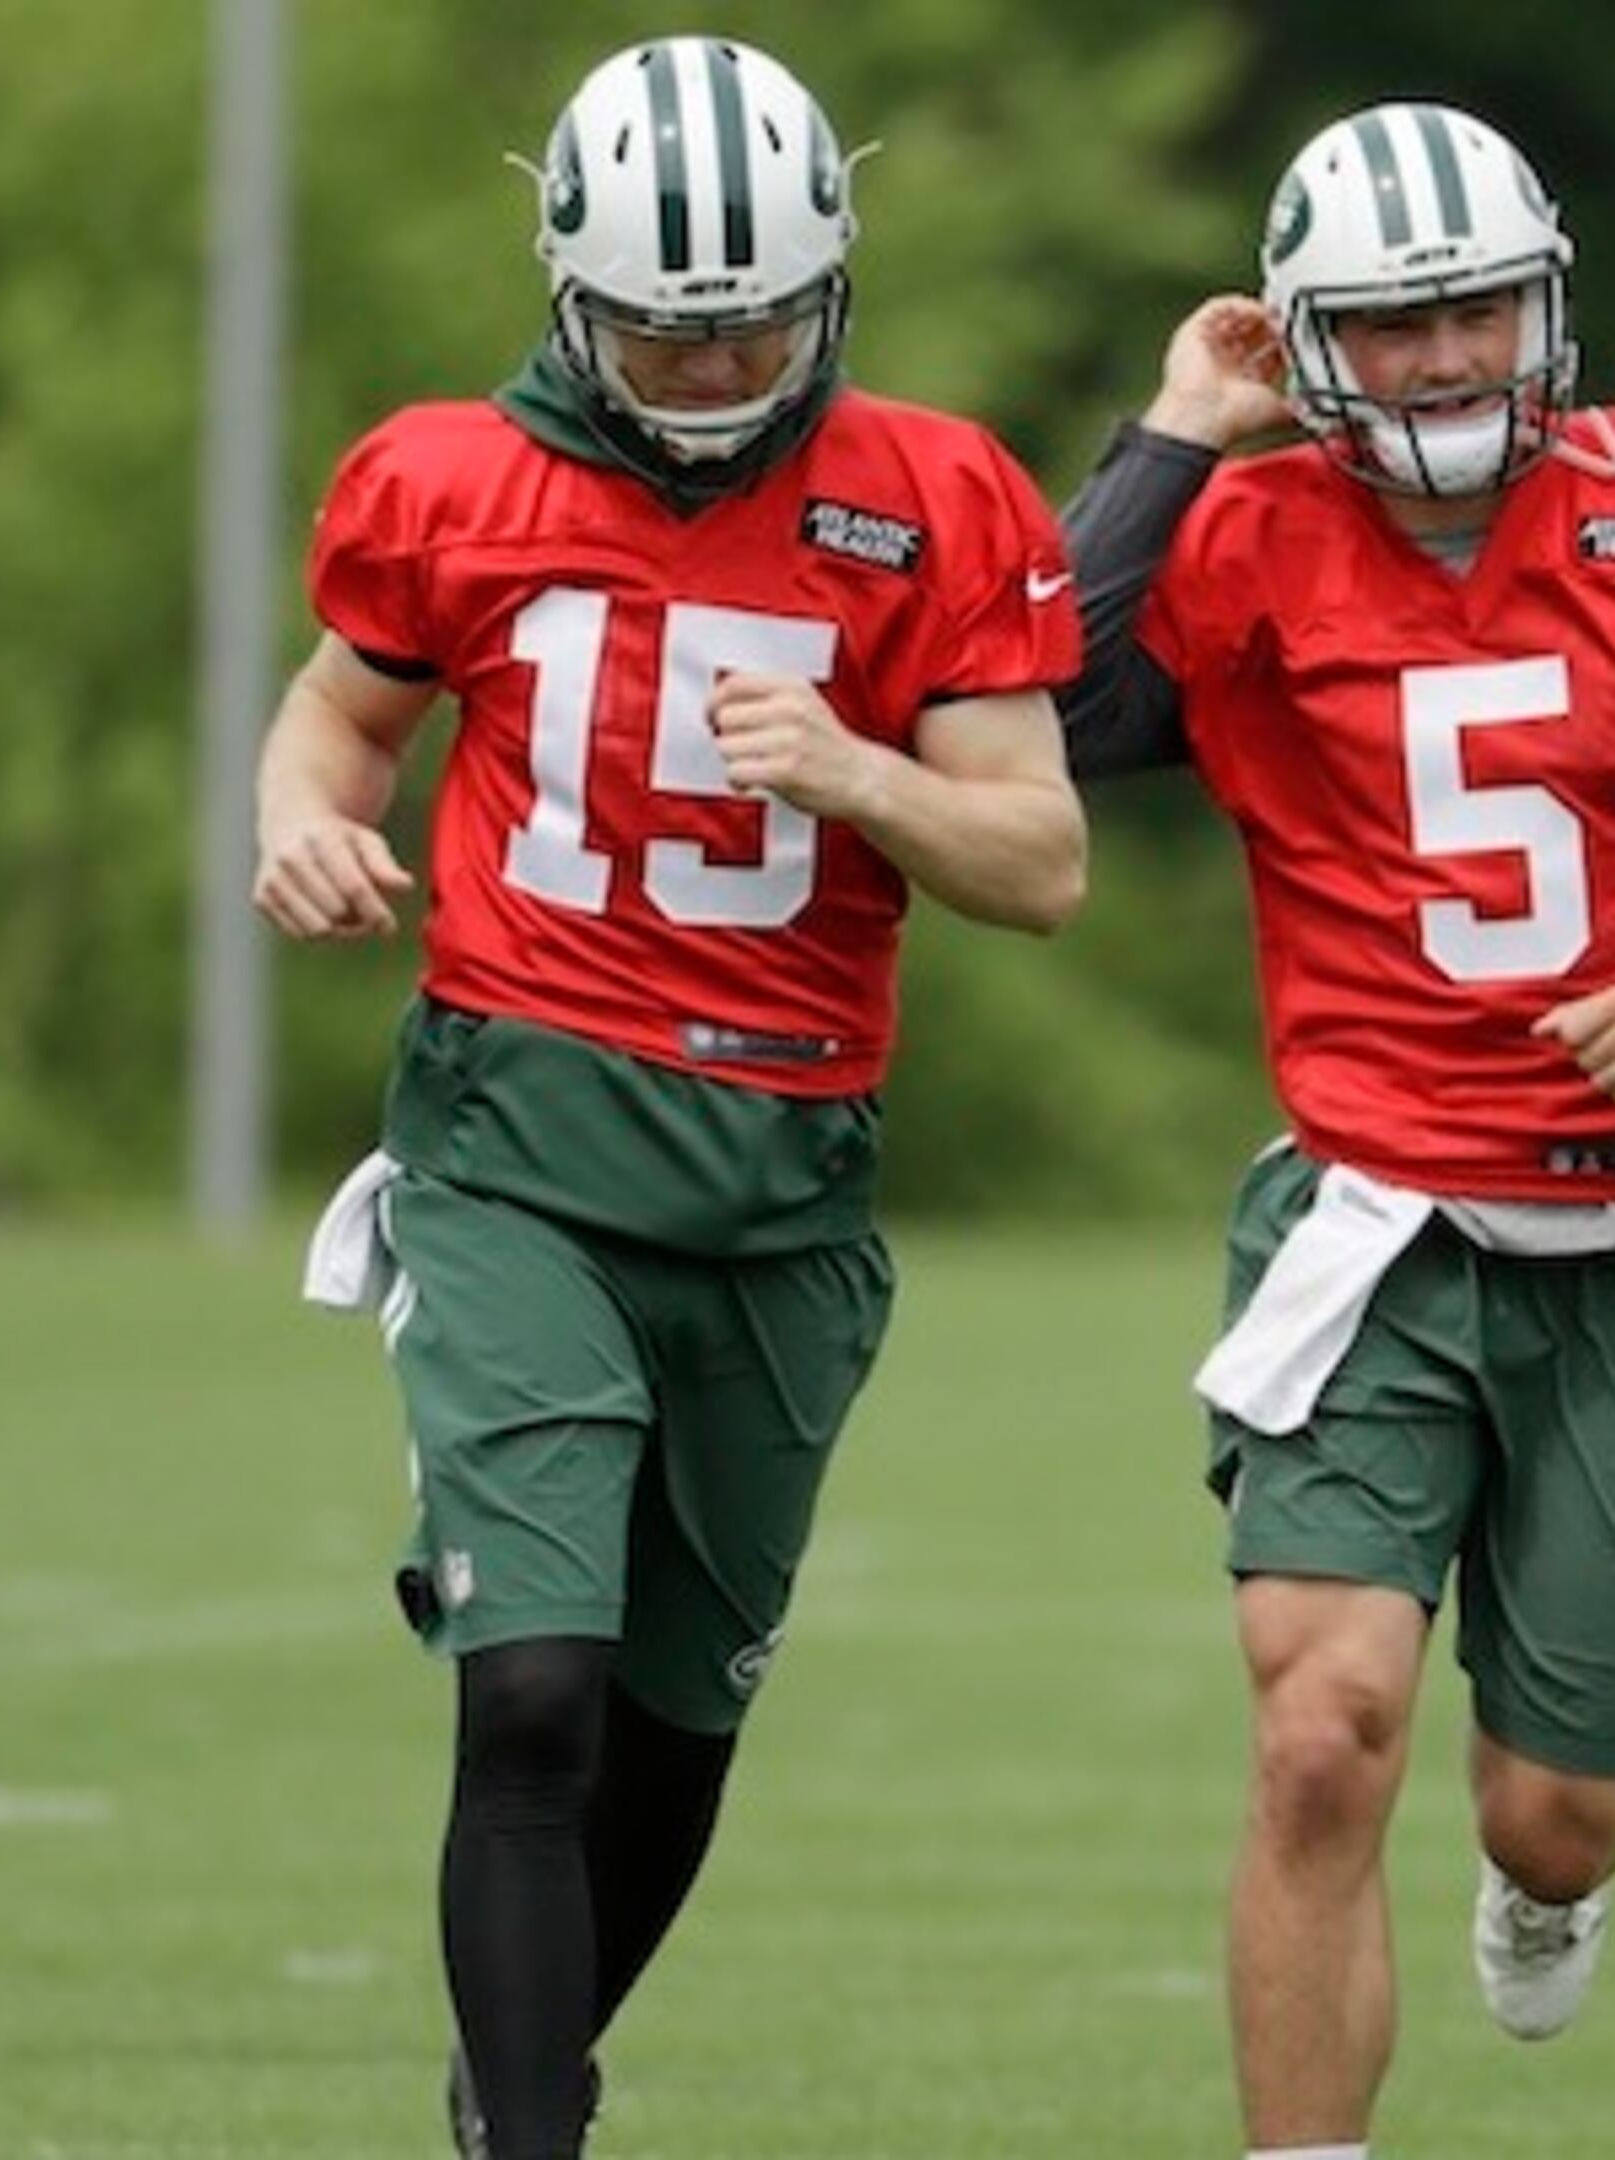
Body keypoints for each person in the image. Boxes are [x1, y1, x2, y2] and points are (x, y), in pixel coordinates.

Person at [1053, 100, 1615, 2160]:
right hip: (1369, 1215)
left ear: (1547, 300)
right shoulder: (1244, 527)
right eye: (1392, 326)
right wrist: (1174, 435)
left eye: (1477, 308)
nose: (1450, 356)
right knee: (1319, 1736)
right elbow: (1036, 706)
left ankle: (1550, 1877)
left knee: (1557, 1809)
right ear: (1302, 345)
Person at [250, 36, 1086, 2160]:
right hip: (514, 1144)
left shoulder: (935, 495)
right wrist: (300, 823)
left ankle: (514, 2071)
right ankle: (533, 2137)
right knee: (529, 1686)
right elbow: (337, 722)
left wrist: (859, 769)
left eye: (750, 332)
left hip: (787, 1183)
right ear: (564, 287)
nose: (708, 377)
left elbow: (1041, 865)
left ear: (831, 287)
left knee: (677, 1720)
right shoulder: (452, 479)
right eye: (659, 332)